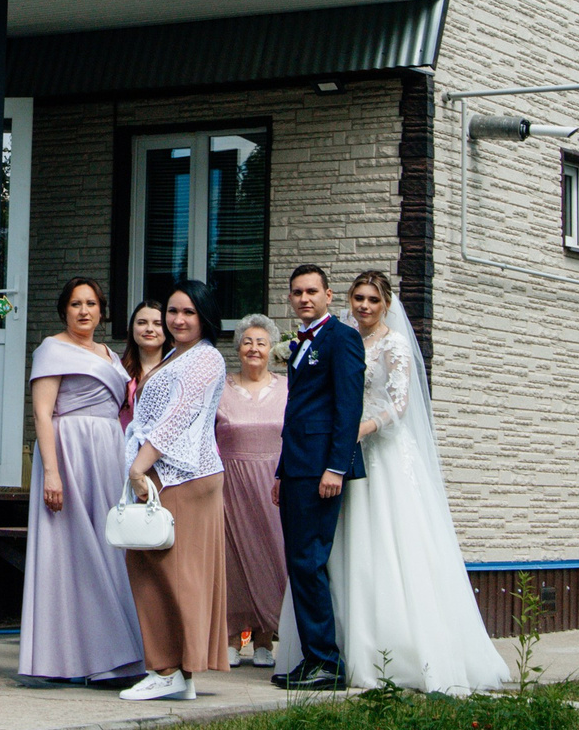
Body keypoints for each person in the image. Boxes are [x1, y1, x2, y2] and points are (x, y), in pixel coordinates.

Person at [317, 271, 513, 695]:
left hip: (383, 452)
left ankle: (397, 648)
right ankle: (344, 647)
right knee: (347, 543)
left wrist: (362, 428)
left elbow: (401, 404)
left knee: (389, 541)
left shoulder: (394, 344)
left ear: (386, 304)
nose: (364, 306)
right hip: (344, 453)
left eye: (372, 299)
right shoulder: (342, 337)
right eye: (358, 298)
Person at [23, 277, 146, 685]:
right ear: (64, 310)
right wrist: (52, 472)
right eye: (75, 303)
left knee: (110, 547)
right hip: (69, 451)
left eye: (91, 303)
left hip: (108, 450)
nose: (84, 311)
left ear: (101, 309)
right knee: (71, 550)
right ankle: (68, 659)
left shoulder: (111, 354)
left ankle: (116, 652)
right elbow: (42, 414)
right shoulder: (51, 349)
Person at [118, 281, 230, 702]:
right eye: (173, 312)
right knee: (154, 568)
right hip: (166, 472)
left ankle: (170, 669)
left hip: (184, 474)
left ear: (205, 318)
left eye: (188, 313)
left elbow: (178, 416)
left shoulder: (206, 359)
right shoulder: (176, 356)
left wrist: (138, 467)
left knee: (171, 572)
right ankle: (173, 670)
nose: (178, 320)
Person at [275, 264, 365, 692]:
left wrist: (336, 466)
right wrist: (281, 470)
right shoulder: (300, 341)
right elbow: (296, 413)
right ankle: (313, 658)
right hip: (296, 465)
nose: (304, 298)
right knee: (299, 562)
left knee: (310, 562)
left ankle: (326, 662)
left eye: (312, 291)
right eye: (297, 292)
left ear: (330, 295)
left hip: (321, 468)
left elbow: (348, 410)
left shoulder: (342, 339)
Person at [216, 313, 288, 669]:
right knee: (231, 561)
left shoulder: (288, 387)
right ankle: (230, 637)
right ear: (238, 348)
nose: (254, 348)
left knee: (272, 556)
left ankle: (265, 639)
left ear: (271, 347)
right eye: (247, 341)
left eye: (261, 342)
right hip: (229, 483)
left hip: (275, 483)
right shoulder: (221, 386)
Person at [118, 300, 168, 426]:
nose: (149, 329)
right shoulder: (118, 369)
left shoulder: (177, 369)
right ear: (131, 328)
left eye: (158, 324)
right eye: (142, 323)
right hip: (124, 442)